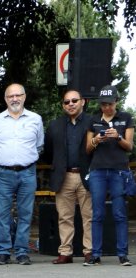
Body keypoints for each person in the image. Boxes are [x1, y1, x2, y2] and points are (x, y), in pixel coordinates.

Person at [0, 83, 44, 266]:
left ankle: (21, 252)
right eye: (11, 96)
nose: (15, 99)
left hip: (28, 171)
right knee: (2, 213)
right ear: (5, 99)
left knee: (25, 213)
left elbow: (39, 145)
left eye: (18, 95)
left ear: (24, 97)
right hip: (3, 172)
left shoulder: (36, 119)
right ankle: (3, 251)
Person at [84, 85, 134, 266]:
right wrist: (96, 140)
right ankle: (95, 255)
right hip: (97, 170)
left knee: (119, 213)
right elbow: (87, 148)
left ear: (116, 102)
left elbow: (129, 146)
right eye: (103, 104)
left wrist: (118, 137)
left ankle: (123, 254)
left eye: (110, 104)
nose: (106, 107)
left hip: (119, 171)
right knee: (97, 214)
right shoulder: (94, 120)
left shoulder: (126, 118)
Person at [42, 90, 93, 264]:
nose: (70, 104)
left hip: (87, 175)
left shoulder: (93, 122)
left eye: (74, 100)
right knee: (64, 216)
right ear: (63, 105)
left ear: (83, 101)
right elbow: (48, 152)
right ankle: (65, 252)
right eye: (66, 102)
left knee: (89, 216)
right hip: (64, 176)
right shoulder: (55, 125)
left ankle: (90, 252)